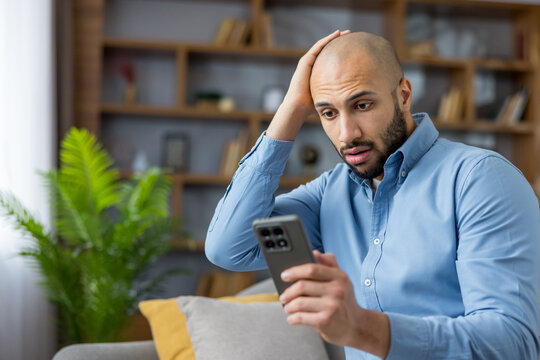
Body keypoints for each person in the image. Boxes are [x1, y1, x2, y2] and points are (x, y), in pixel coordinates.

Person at [205, 30, 540, 359]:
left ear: (404, 95)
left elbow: (514, 344)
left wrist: (362, 329)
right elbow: (229, 248)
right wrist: (291, 109)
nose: (347, 134)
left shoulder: (479, 179)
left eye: (362, 104)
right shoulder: (329, 193)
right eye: (328, 113)